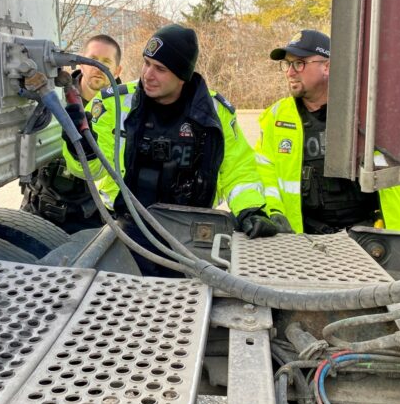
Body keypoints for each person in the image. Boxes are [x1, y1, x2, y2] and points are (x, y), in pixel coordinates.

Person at [62, 24, 281, 274]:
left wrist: (250, 209)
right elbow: (92, 172)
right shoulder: (114, 104)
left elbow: (238, 169)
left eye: (160, 69)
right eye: (146, 63)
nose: (148, 75)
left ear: (182, 75)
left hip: (193, 234)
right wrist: (80, 148)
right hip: (128, 229)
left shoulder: (214, 112)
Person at [255, 29, 400, 235]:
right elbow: (264, 173)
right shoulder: (276, 118)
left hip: (371, 237)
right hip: (304, 238)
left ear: (327, 66)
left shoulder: (370, 113)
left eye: (299, 63)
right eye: (287, 64)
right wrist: (274, 212)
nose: (290, 72)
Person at [21, 34, 123, 233]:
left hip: (90, 222)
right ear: (81, 63)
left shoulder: (125, 110)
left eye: (106, 62)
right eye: (92, 60)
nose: (98, 67)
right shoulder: (50, 92)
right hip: (36, 209)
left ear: (117, 70)